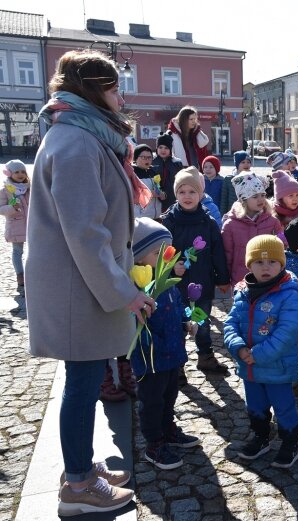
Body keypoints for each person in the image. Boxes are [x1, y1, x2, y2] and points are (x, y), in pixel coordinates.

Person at [27, 49, 146, 516]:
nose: (121, 97)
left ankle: (81, 467)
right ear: (94, 90)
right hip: (83, 287)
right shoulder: (77, 141)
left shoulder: (81, 134)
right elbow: (86, 233)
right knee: (82, 383)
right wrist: (125, 292)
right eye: (115, 87)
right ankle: (77, 484)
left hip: (81, 283)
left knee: (85, 379)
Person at [224, 236, 298, 467]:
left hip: (276, 367)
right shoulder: (242, 292)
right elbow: (230, 324)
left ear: (282, 264)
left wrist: (256, 354)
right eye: (259, 262)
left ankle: (290, 441)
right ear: (249, 266)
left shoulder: (288, 294)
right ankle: (260, 436)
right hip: (249, 368)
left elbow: (286, 332)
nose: (266, 267)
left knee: (283, 406)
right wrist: (237, 347)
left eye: (272, 262)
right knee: (255, 406)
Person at [130, 218, 200, 469]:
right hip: (150, 358)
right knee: (151, 400)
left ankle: (168, 428)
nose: (165, 256)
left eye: (167, 250)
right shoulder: (136, 287)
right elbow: (135, 323)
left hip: (172, 354)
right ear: (138, 256)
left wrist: (186, 323)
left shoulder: (167, 281)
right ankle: (154, 443)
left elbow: (178, 309)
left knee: (169, 395)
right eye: (157, 252)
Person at [162, 168, 231, 374]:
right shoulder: (169, 221)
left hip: (202, 282)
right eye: (182, 191)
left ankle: (205, 356)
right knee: (179, 323)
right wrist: (172, 266)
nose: (187, 196)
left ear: (201, 194)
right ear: (176, 194)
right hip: (176, 285)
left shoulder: (208, 222)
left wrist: (223, 278)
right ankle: (178, 366)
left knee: (202, 321)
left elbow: (218, 252)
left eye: (192, 191)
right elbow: (162, 252)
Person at [221, 172, 284, 286]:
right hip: (241, 280)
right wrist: (225, 279)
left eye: (263, 195)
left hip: (268, 278)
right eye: (255, 196)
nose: (261, 200)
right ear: (244, 200)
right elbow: (227, 254)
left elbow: (282, 247)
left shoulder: (273, 221)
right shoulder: (230, 225)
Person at [1, 159, 29, 289]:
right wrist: (12, 207)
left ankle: (33, 273)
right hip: (16, 225)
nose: (20, 174)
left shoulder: (29, 188)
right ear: (9, 173)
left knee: (36, 251)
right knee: (17, 251)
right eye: (16, 171)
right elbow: (1, 208)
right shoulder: (6, 190)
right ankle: (20, 275)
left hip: (32, 225)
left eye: (23, 171)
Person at [152, 133, 183, 214]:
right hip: (156, 199)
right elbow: (155, 180)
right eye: (160, 147)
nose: (163, 150)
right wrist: (159, 192)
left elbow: (181, 181)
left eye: (166, 148)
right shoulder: (152, 162)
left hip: (173, 197)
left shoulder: (177, 163)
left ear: (170, 149)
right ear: (157, 148)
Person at [130, 145, 162, 219]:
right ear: (136, 158)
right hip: (140, 218)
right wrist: (150, 194)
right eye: (144, 157)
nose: (147, 160)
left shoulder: (154, 172)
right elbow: (130, 196)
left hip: (156, 216)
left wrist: (162, 194)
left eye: (149, 157)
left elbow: (160, 188)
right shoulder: (132, 173)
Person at [219, 151, 253, 215]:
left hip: (248, 214)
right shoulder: (228, 179)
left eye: (248, 162)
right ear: (237, 164)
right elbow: (224, 201)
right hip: (233, 213)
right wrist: (223, 216)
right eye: (243, 162)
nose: (246, 164)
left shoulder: (253, 178)